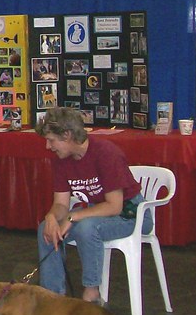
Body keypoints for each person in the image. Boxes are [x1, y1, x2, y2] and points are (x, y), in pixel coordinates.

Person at [36, 106, 149, 303]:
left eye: (51, 140)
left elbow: (114, 206)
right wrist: (51, 217)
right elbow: (61, 204)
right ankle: (52, 297)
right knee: (46, 229)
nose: (48, 146)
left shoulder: (106, 153)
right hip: (95, 211)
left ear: (67, 135)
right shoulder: (61, 160)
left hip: (131, 214)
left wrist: (73, 217)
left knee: (86, 228)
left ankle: (92, 292)